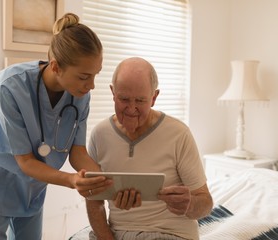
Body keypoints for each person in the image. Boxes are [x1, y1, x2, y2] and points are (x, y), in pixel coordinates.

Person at [0, 13, 112, 240]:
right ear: (56, 66)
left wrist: (104, 179)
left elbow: (77, 153)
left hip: (32, 189)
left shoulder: (79, 95)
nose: (91, 85)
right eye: (84, 76)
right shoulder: (9, 87)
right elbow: (26, 161)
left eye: (95, 75)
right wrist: (71, 180)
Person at [86, 57, 213, 240]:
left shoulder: (179, 134)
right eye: (123, 99)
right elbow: (94, 201)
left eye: (140, 100)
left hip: (170, 234)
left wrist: (190, 204)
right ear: (113, 93)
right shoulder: (99, 135)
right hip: (116, 234)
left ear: (154, 98)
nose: (131, 108)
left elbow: (206, 203)